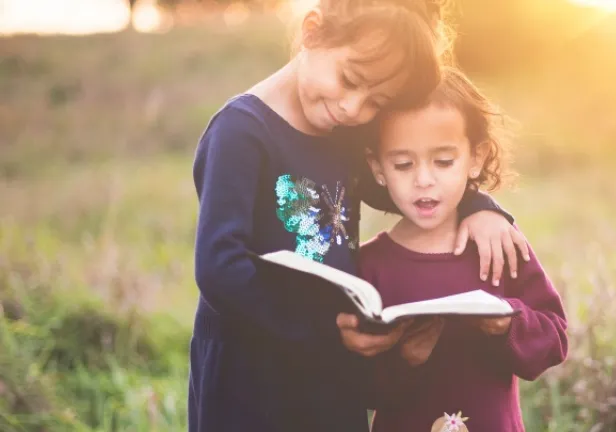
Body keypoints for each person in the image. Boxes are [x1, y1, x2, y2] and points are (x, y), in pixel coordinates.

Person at [188, 1, 530, 431]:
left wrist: (482, 208)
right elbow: (221, 268)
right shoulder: (241, 132)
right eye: (350, 80)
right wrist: (324, 329)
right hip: (250, 373)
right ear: (313, 31)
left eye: (376, 101)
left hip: (331, 369)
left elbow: (411, 193)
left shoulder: (341, 133)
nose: (354, 108)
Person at [358, 67, 569, 432]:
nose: (424, 179)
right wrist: (402, 359)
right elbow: (353, 384)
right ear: (377, 167)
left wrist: (509, 322)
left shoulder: (497, 244)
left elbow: (555, 339)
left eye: (443, 161)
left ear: (476, 158)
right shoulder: (370, 266)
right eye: (403, 164)